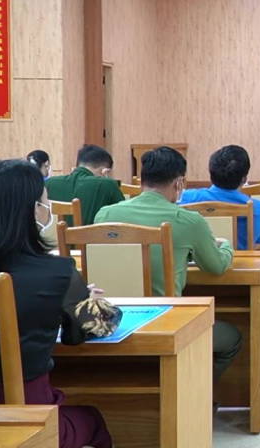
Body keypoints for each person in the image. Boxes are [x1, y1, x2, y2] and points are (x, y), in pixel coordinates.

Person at [0, 160, 121, 448]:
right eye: (44, 201)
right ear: (30, 212)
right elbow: (99, 325)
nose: (47, 207)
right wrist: (80, 296)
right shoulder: (57, 275)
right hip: (27, 420)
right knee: (91, 418)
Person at [95, 147, 242, 394]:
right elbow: (216, 266)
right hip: (162, 321)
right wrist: (226, 245)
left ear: (142, 180)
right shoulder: (188, 221)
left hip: (109, 321)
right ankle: (192, 398)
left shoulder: (106, 215)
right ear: (179, 183)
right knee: (231, 338)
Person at [178, 145, 260, 250]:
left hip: (196, 260)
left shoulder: (184, 198)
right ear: (244, 179)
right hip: (240, 260)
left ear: (211, 175)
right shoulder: (258, 208)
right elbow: (256, 244)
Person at [45, 144, 123, 225]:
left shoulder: (48, 183)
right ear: (105, 172)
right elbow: (123, 215)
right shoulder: (107, 185)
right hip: (91, 233)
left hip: (54, 233)